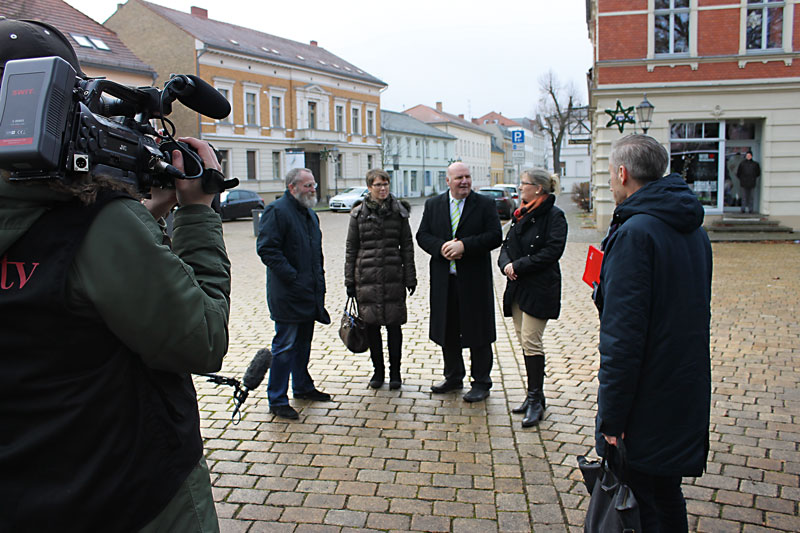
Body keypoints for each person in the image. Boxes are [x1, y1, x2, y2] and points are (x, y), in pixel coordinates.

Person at [0, 19, 229, 532]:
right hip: (130, 494)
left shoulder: (99, 227)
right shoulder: (100, 225)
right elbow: (202, 338)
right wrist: (195, 214)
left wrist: (139, 220)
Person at [594, 134, 712, 532]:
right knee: (665, 492)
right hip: (681, 383)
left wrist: (612, 419)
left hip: (645, 396)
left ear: (623, 173)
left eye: (611, 174)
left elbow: (622, 340)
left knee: (642, 501)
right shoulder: (692, 228)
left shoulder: (635, 233)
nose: (611, 182)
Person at [416, 162, 502, 402]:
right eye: (459, 178)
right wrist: (440, 249)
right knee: (448, 329)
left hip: (474, 281)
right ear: (448, 181)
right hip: (446, 281)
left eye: (467, 177)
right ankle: (454, 377)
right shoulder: (434, 204)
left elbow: (495, 236)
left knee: (479, 333)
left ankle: (481, 382)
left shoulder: (484, 204)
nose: (464, 181)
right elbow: (422, 235)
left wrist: (465, 245)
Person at [256, 168, 332, 420]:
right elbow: (267, 250)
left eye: (314, 185)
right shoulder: (277, 211)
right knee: (285, 346)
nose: (313, 190)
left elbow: (314, 254)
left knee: (303, 345)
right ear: (292, 187)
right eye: (308, 185)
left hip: (308, 293)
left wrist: (317, 284)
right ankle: (277, 399)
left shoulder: (310, 213)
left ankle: (302, 387)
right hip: (287, 294)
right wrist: (293, 277)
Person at [498, 169, 567, 427]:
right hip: (517, 288)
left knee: (531, 340)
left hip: (540, 288)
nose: (520, 187)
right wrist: (506, 265)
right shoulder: (520, 213)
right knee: (524, 343)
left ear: (538, 188)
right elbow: (506, 247)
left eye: (524, 184)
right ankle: (533, 395)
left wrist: (520, 265)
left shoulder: (554, 216)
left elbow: (552, 252)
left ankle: (536, 400)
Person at [345, 169, 416, 390]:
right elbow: (351, 249)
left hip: (393, 275)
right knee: (372, 327)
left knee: (394, 327)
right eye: (378, 185)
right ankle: (378, 372)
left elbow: (407, 246)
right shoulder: (358, 215)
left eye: (386, 184)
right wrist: (349, 281)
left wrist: (410, 277)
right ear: (369, 188)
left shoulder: (399, 213)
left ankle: (395, 372)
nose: (383, 188)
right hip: (366, 278)